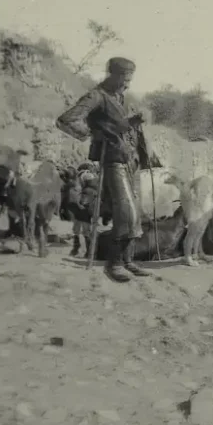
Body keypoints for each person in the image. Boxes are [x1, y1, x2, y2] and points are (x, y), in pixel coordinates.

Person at [55, 57, 151, 283]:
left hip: (131, 162)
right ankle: (113, 264)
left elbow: (125, 126)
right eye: (124, 78)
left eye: (130, 79)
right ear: (112, 74)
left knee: (135, 214)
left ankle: (127, 260)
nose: (127, 83)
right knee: (125, 212)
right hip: (113, 162)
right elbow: (65, 120)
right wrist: (93, 134)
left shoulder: (122, 98)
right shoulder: (96, 96)